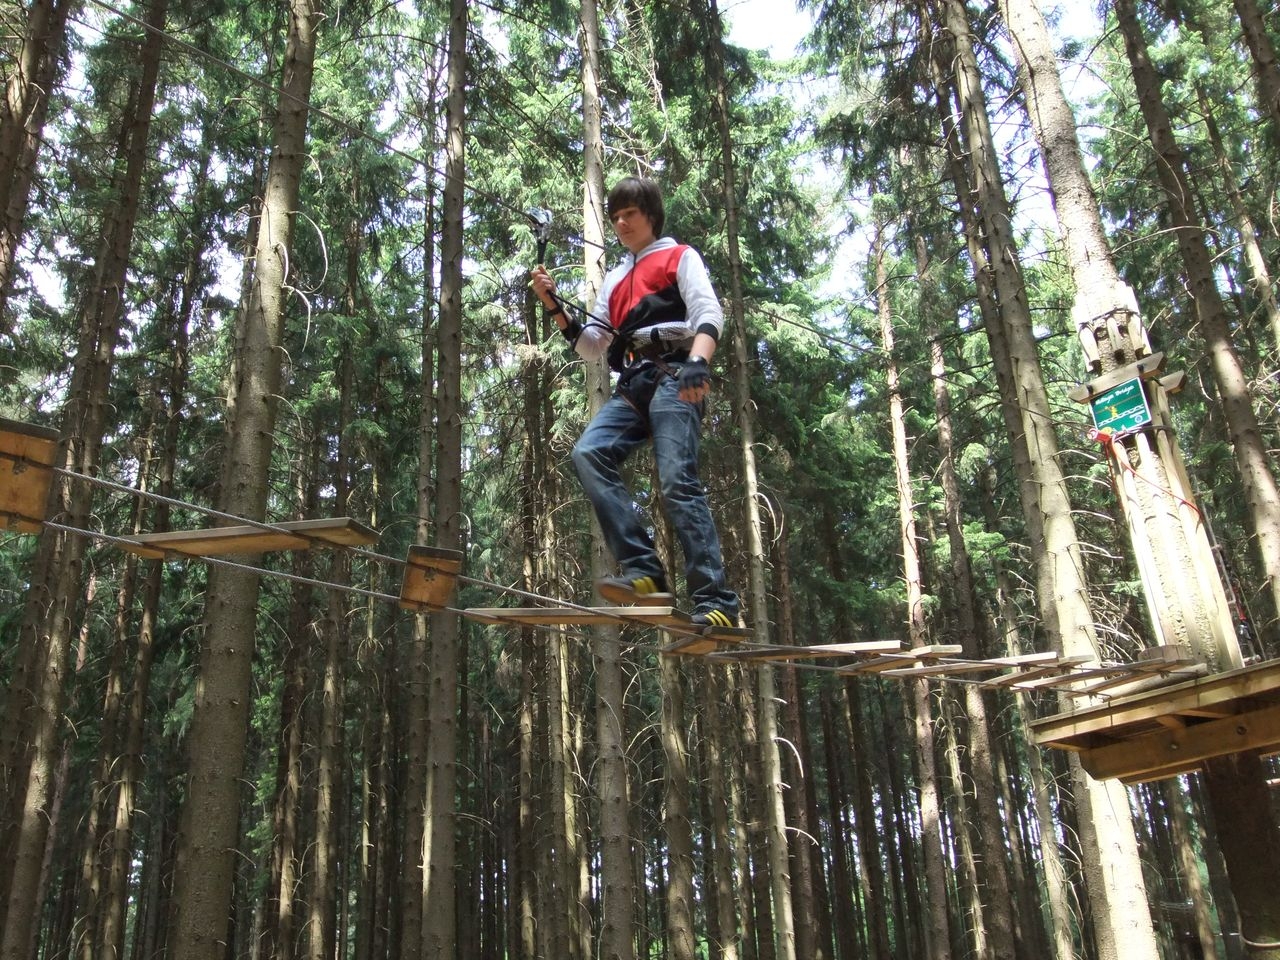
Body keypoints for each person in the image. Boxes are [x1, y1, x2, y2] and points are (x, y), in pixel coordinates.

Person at [530, 176, 739, 631]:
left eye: (630, 213)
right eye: (615, 216)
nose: (621, 223)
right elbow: (592, 345)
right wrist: (553, 305)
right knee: (589, 453)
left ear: (650, 215)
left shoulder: (679, 256)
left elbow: (708, 313)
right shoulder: (616, 278)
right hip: (635, 382)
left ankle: (717, 601)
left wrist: (698, 362)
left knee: (677, 480)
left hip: (677, 372)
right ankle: (646, 575)